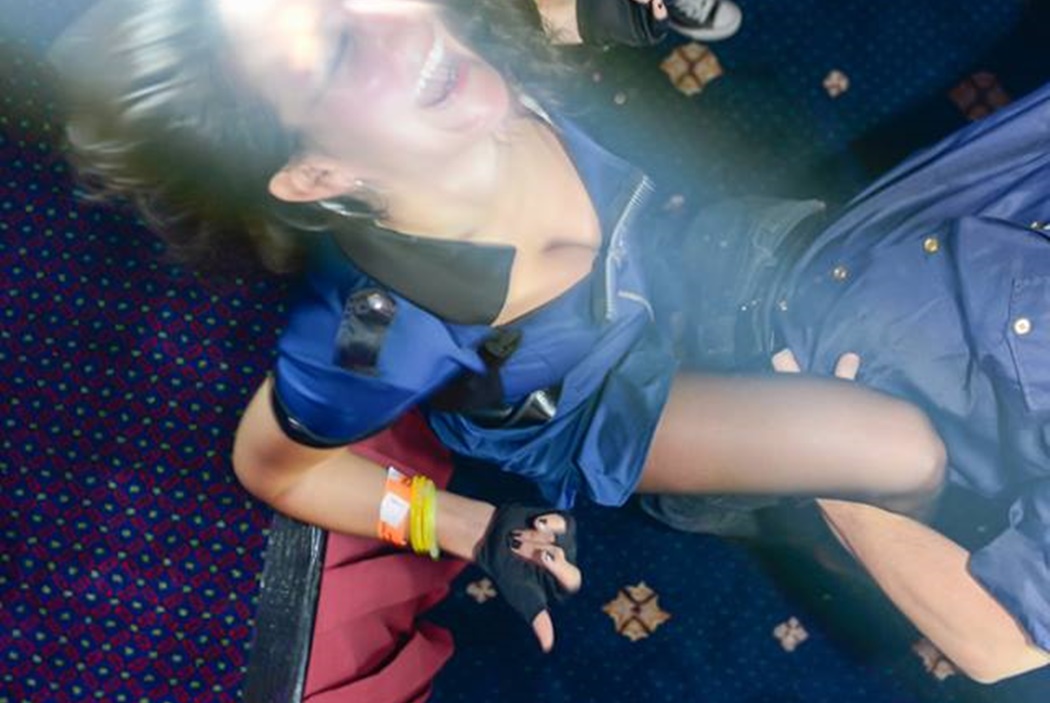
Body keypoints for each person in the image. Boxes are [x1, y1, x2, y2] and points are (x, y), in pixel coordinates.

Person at [47, 0, 1046, 683]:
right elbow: (273, 466)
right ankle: (809, 527)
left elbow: (533, 18)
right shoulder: (376, 331)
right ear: (317, 175)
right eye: (342, 52)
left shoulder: (456, 58)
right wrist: (466, 525)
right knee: (899, 449)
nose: (405, 19)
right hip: (603, 398)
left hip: (688, 255)